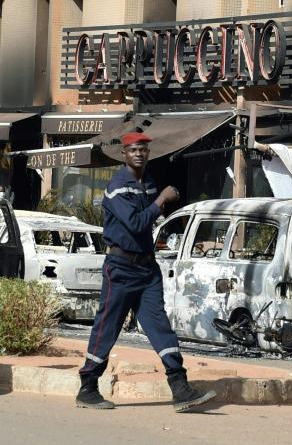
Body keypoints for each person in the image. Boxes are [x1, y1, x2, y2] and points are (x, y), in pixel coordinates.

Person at [75, 132, 216, 412]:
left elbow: (152, 219)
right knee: (108, 326)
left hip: (147, 268)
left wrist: (159, 203)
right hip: (120, 268)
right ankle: (88, 387)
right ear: (124, 153)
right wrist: (162, 199)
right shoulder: (117, 186)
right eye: (134, 149)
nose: (140, 153)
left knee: (159, 325)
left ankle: (180, 387)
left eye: (144, 149)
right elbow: (136, 223)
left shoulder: (148, 183)